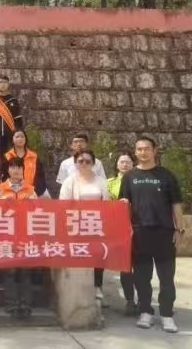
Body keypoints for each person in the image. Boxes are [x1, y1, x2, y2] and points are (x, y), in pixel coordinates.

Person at [120, 136, 184, 334]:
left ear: (154, 150)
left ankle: (166, 314)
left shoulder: (166, 175)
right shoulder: (129, 177)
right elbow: (124, 205)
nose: (143, 152)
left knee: (166, 277)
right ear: (135, 151)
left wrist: (179, 229)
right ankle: (145, 311)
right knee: (142, 277)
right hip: (139, 233)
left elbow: (176, 204)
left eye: (147, 148)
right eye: (139, 149)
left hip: (164, 233)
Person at [59, 149, 110, 306]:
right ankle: (78, 290)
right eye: (81, 161)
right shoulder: (70, 181)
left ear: (93, 163)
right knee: (79, 256)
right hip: (76, 224)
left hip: (96, 224)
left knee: (97, 256)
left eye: (88, 161)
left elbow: (107, 203)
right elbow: (63, 203)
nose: (84, 164)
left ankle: (97, 288)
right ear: (75, 163)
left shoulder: (101, 181)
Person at [0, 157, 37, 318]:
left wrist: (31, 203)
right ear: (8, 170)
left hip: (26, 235)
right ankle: (11, 304)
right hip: (7, 235)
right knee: (9, 271)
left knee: (25, 271)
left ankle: (25, 304)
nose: (16, 170)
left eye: (19, 167)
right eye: (12, 167)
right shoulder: (0, 189)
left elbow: (39, 210)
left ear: (23, 170)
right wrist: (3, 203)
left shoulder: (30, 189)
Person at [107, 150, 138, 316]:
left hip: (140, 226)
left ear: (133, 164)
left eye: (128, 162)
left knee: (141, 266)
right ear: (117, 165)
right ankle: (130, 301)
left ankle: (143, 300)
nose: (125, 164)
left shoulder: (139, 181)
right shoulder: (109, 183)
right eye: (122, 162)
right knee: (126, 266)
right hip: (119, 227)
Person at [2, 130, 50, 197]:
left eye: (22, 136)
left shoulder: (34, 156)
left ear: (25, 139)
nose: (20, 139)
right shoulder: (7, 156)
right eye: (17, 137)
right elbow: (4, 178)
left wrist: (33, 193)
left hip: (32, 195)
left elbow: (40, 177)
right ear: (12, 139)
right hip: (12, 196)